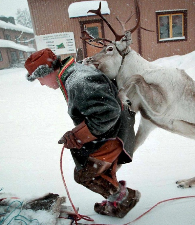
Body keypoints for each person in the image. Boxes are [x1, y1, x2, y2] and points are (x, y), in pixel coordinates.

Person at [24, 48, 140, 218]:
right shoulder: (72, 74)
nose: (41, 83)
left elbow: (108, 113)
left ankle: (124, 198)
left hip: (114, 130)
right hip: (112, 128)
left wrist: (79, 135)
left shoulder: (78, 81)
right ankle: (116, 202)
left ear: (47, 71)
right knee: (102, 170)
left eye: (40, 78)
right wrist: (78, 131)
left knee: (86, 174)